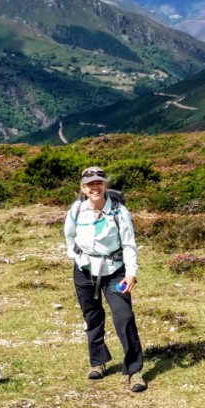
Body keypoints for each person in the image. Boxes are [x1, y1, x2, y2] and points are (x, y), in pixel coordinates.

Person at [64, 166, 147, 392]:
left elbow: (129, 244)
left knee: (125, 318)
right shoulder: (77, 209)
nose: (95, 187)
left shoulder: (120, 212)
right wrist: (76, 257)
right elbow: (69, 236)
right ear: (83, 188)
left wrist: (131, 273)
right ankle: (98, 362)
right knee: (92, 317)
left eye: (99, 182)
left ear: (105, 185)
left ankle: (134, 370)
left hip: (115, 272)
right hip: (84, 271)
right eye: (90, 184)